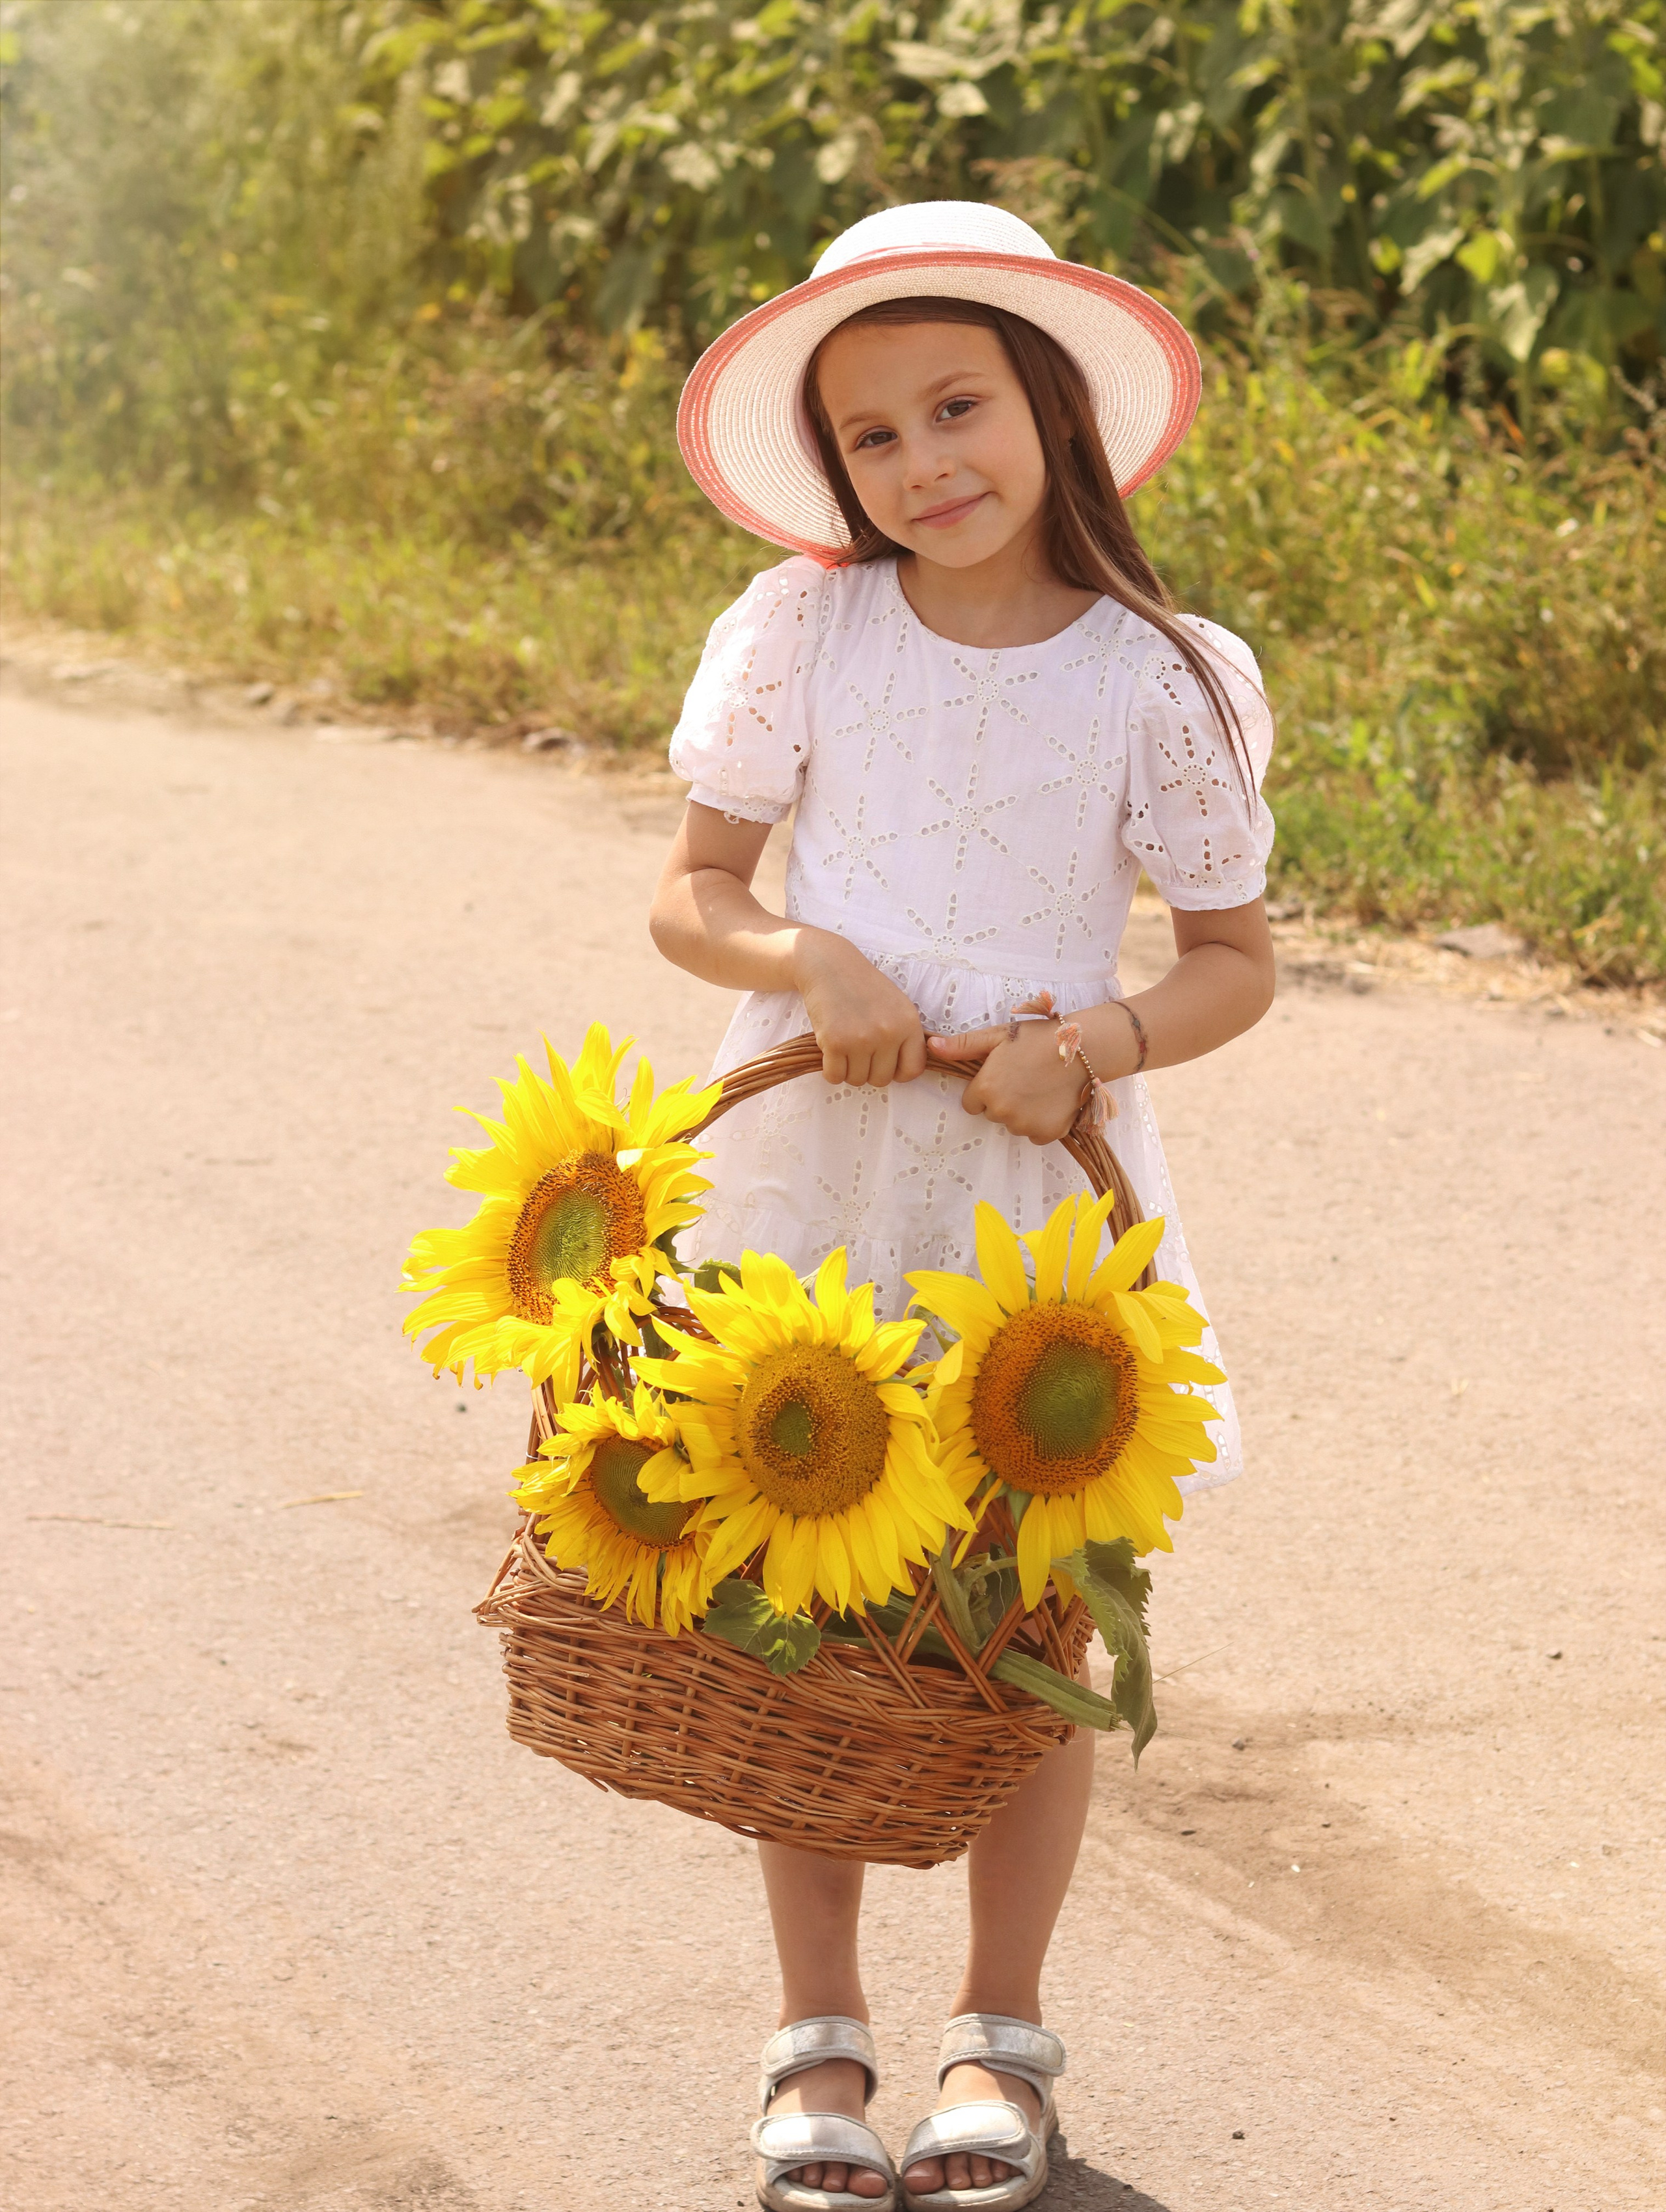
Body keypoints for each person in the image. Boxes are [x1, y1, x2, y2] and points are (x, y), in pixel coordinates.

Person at [649, 201, 1276, 2212]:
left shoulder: (1162, 676)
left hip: (1033, 1195)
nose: (927, 464)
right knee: (801, 1602)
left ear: (1051, 409)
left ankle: (999, 2033)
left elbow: (1233, 960)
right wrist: (801, 959)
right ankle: (812, 2030)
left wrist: (1093, 1039)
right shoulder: (801, 629)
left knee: (1027, 1618)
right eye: (876, 440)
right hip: (816, 1177)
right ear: (835, 477)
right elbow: (695, 891)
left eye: (957, 407)